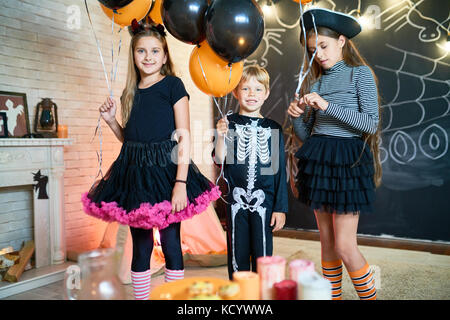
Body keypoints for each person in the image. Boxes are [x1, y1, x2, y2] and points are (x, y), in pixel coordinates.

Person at [81, 23, 220, 300]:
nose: (148, 56)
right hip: (135, 175)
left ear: (165, 56)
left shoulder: (173, 85)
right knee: (140, 246)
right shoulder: (130, 92)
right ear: (133, 55)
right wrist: (111, 122)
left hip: (167, 173)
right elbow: (131, 139)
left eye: (155, 51)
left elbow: (184, 137)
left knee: (170, 243)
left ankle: (174, 298)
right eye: (141, 51)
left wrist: (180, 183)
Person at [288, 8, 382, 300]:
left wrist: (327, 106)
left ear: (342, 41)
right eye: (313, 51)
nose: (319, 55)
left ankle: (370, 296)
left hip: (347, 163)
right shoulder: (317, 83)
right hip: (320, 163)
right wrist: (296, 117)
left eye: (324, 47)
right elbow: (310, 136)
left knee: (344, 245)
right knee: (327, 244)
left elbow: (369, 123)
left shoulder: (359, 74)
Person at [214, 65, 288, 279]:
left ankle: (262, 295)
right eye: (245, 89)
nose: (251, 94)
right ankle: (239, 294)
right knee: (237, 250)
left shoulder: (273, 127)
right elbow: (220, 159)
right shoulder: (230, 123)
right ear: (236, 92)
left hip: (264, 200)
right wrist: (220, 136)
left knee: (263, 251)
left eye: (258, 89)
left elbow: (279, 171)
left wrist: (280, 207)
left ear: (266, 93)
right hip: (235, 200)